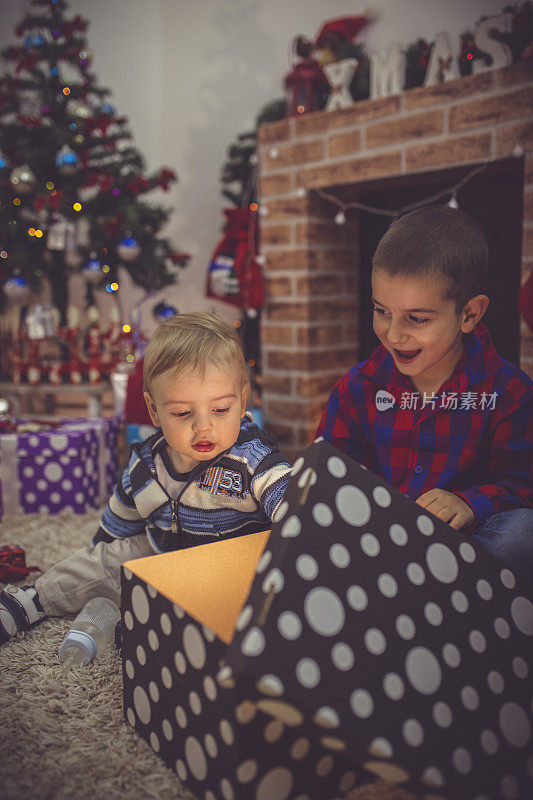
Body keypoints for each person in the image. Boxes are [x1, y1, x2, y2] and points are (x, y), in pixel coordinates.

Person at [0, 312, 291, 644]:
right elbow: (117, 523)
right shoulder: (145, 467)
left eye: (221, 410)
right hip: (164, 556)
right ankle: (29, 602)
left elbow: (293, 503)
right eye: (182, 413)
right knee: (103, 563)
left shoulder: (253, 459)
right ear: (154, 412)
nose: (203, 426)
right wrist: (103, 560)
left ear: (242, 402)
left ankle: (158, 621)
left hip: (234, 571)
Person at [316, 205, 533, 577]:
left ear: (469, 315)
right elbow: (325, 476)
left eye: (417, 318)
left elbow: (522, 485)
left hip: (466, 545)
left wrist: (468, 503)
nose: (394, 333)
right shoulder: (358, 387)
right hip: (380, 539)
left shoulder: (509, 392)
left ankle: (428, 589)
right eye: (382, 310)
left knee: (523, 532)